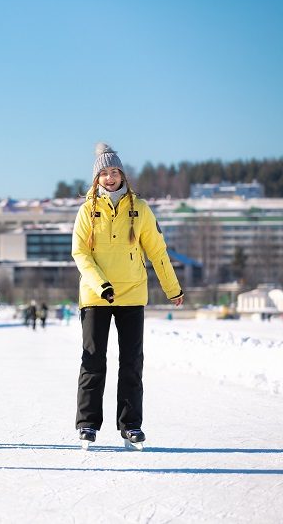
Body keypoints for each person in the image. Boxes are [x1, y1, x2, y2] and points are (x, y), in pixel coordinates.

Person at [72, 143, 184, 449]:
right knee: (93, 361)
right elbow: (80, 253)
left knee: (132, 361)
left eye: (114, 172)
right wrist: (100, 284)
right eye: (103, 174)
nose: (109, 178)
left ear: (122, 174)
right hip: (97, 297)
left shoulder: (141, 209)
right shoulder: (87, 211)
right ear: (96, 179)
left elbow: (158, 252)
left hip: (133, 294)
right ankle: (87, 425)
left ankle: (131, 425)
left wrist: (172, 288)